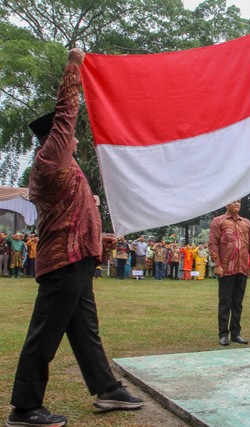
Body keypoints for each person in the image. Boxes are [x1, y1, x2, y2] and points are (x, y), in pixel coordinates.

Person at [6, 48, 142, 427]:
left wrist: (101, 241)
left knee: (85, 330)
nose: (76, 139)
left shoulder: (66, 167)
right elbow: (67, 112)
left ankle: (107, 390)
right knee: (44, 334)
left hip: (77, 258)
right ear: (55, 138)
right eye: (67, 135)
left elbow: (76, 215)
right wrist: (74, 67)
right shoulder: (52, 160)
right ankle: (24, 408)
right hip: (63, 263)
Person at [209, 200, 250, 346]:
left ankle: (236, 333)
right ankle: (223, 334)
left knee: (238, 302)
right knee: (225, 302)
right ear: (226, 204)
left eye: (239, 201)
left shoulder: (246, 222)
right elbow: (213, 243)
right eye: (233, 201)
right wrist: (217, 264)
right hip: (226, 268)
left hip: (242, 268)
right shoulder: (218, 221)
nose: (237, 203)